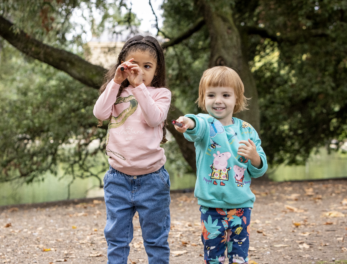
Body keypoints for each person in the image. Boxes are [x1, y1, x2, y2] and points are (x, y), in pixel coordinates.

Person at [173, 66, 268, 264]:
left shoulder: (247, 130)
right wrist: (185, 121)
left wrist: (254, 157)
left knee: (239, 258)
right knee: (214, 258)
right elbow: (194, 123)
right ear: (203, 98)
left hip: (241, 207)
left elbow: (259, 169)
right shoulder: (207, 125)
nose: (218, 100)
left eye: (225, 94)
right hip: (211, 208)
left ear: (237, 99)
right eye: (211, 95)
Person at [93, 35, 172, 264]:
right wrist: (116, 81)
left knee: (156, 239)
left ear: (156, 71)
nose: (141, 71)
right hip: (118, 179)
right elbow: (99, 114)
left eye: (147, 66)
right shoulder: (116, 93)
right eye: (134, 65)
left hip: (153, 180)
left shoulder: (160, 94)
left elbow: (154, 118)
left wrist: (139, 87)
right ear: (123, 66)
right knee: (116, 239)